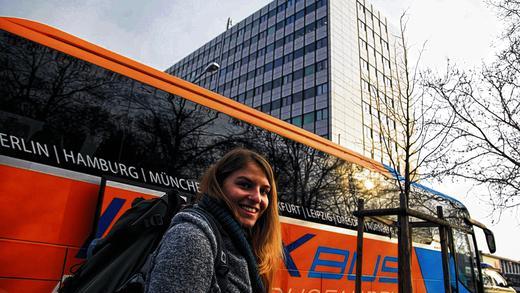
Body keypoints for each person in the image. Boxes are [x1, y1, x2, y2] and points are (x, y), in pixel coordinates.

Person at [146, 148, 282, 293]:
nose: (257, 198)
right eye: (245, 185)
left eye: (264, 191)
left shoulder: (241, 240)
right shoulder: (191, 237)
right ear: (219, 184)